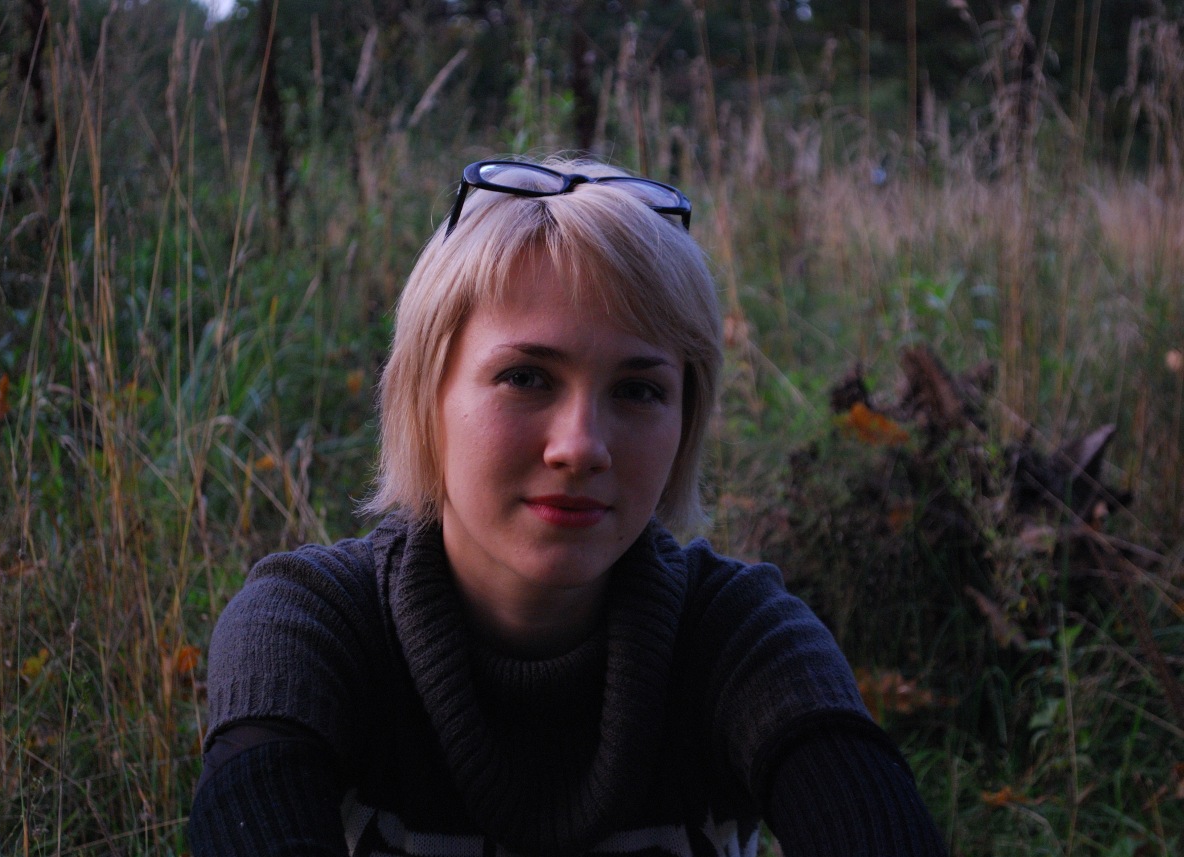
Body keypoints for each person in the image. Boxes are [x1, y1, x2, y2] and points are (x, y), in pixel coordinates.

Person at [188, 157, 949, 856]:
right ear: (425, 395)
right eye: (526, 377)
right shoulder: (309, 627)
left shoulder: (744, 637)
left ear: (686, 419)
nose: (581, 447)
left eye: (638, 390)